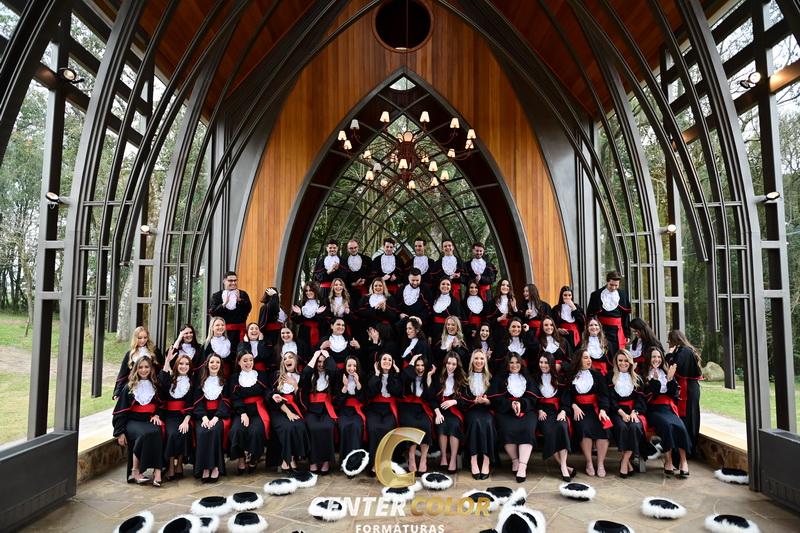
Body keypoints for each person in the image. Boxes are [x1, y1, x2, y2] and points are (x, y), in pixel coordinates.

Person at [113, 355, 164, 487]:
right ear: (136, 369)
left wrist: (157, 415)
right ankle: (135, 471)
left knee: (157, 431)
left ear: (151, 368)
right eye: (140, 367)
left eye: (146, 367)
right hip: (133, 422)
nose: (144, 370)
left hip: (148, 420)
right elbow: (120, 412)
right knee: (143, 435)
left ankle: (157, 471)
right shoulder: (129, 388)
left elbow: (162, 405)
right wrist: (120, 432)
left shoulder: (155, 386)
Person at [643, 347, 691, 478]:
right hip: (653, 410)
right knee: (667, 426)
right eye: (654, 357)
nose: (656, 359)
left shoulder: (666, 372)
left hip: (668, 408)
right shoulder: (643, 374)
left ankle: (683, 462)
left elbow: (673, 394)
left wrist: (670, 380)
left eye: (659, 357)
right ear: (649, 358)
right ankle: (668, 461)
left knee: (680, 426)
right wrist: (654, 381)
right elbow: (649, 395)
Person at [489, 353, 537, 483]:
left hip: (526, 411)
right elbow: (495, 399)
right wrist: (510, 404)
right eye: (511, 362)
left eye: (517, 362)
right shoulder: (500, 378)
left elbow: (533, 399)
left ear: (521, 364)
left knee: (527, 429)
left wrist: (521, 403)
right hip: (506, 411)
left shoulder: (528, 378)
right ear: (507, 364)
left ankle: (522, 466)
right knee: (506, 429)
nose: (514, 365)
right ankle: (515, 460)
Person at [567, 348, 611, 478]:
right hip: (579, 410)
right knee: (584, 429)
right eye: (585, 358)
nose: (589, 360)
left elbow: (604, 395)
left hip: (595, 409)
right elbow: (567, 395)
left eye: (590, 358)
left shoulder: (597, 375)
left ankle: (601, 464)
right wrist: (573, 405)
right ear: (578, 360)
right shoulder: (571, 376)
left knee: (604, 429)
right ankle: (589, 462)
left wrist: (603, 410)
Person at [530, 353, 573, 481]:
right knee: (550, 432)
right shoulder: (535, 378)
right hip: (543, 412)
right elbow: (532, 398)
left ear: (551, 364)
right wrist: (539, 410)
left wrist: (563, 411)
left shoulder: (560, 378)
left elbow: (566, 397)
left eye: (546, 362)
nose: (543, 365)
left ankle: (564, 465)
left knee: (562, 427)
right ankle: (563, 466)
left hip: (557, 411)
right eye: (541, 362)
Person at [228, 351, 270, 475]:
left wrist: (273, 396)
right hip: (241, 410)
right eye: (245, 360)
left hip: (258, 409)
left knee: (256, 431)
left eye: (251, 360)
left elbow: (266, 392)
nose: (248, 363)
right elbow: (234, 397)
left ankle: (254, 458)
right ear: (239, 362)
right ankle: (241, 458)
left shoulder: (261, 375)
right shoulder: (234, 378)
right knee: (237, 430)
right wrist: (242, 412)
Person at [269, 352, 310, 472]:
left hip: (295, 408)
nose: (287, 360)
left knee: (299, 425)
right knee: (287, 427)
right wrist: (288, 412)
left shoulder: (301, 377)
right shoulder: (277, 376)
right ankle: (287, 460)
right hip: (279, 409)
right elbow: (272, 396)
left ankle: (291, 458)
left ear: (296, 361)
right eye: (285, 358)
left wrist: (295, 385)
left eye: (290, 357)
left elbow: (303, 402)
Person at [607, 350, 646, 478]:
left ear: (630, 362)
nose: (623, 363)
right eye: (620, 360)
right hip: (617, 411)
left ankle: (624, 460)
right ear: (616, 362)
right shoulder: (610, 376)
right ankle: (627, 461)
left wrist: (635, 412)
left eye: (626, 361)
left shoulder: (637, 378)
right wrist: (622, 414)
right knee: (622, 427)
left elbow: (640, 399)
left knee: (635, 427)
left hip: (634, 411)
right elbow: (610, 400)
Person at [192, 353, 230, 483]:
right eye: (212, 362)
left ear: (221, 365)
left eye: (217, 362)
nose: (214, 365)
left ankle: (215, 467)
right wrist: (204, 417)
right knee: (203, 432)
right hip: (202, 416)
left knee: (214, 431)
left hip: (219, 416)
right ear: (207, 364)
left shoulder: (224, 381)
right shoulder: (200, 381)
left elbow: (226, 402)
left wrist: (216, 418)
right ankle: (204, 467)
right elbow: (197, 402)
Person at [301, 350, 339, 474]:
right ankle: (313, 461)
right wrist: (315, 356)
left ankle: (326, 461)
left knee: (328, 427)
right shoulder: (310, 376)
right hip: (311, 409)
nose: (321, 364)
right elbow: (305, 373)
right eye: (319, 362)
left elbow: (335, 371)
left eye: (323, 362)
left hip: (327, 409)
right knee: (313, 428)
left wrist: (328, 356)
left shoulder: (331, 376)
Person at [667, 329, 702, 459]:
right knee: (690, 418)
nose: (669, 342)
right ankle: (687, 450)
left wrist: (669, 355)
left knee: (688, 419)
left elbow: (675, 368)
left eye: (670, 340)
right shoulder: (688, 350)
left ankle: (687, 450)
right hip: (691, 388)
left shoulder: (683, 351)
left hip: (687, 389)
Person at [400, 353, 438, 474]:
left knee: (425, 425)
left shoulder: (428, 377)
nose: (420, 368)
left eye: (422, 365)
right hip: (407, 407)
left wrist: (429, 378)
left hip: (422, 407)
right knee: (411, 425)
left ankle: (423, 458)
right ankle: (411, 457)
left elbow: (431, 397)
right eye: (417, 365)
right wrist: (411, 363)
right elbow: (402, 378)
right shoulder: (408, 376)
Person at [159, 351, 193, 482]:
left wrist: (186, 420)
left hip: (184, 416)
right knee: (172, 433)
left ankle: (179, 464)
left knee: (184, 432)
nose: (184, 366)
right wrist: (167, 361)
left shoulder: (192, 382)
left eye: (186, 364)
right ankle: (171, 465)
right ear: (177, 365)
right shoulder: (170, 379)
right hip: (170, 416)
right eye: (181, 364)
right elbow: (162, 380)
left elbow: (191, 403)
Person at [365, 353, 402, 473]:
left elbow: (396, 392)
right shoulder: (372, 375)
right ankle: (374, 463)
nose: (387, 361)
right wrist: (377, 374)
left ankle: (386, 463)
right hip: (374, 408)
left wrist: (395, 375)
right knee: (373, 429)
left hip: (389, 408)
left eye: (390, 360)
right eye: (384, 359)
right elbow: (371, 392)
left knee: (388, 429)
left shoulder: (395, 376)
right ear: (379, 362)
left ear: (392, 363)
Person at [462, 349, 496, 479]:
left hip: (486, 409)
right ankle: (473, 459)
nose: (479, 361)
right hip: (471, 409)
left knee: (488, 422)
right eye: (476, 358)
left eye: (482, 358)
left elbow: (495, 397)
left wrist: (487, 401)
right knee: (475, 421)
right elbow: (462, 396)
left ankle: (486, 460)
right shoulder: (465, 377)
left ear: (485, 361)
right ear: (472, 361)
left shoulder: (491, 377)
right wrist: (473, 400)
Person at [434, 352, 467, 474]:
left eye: (453, 364)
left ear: (457, 365)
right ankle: (443, 457)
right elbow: (432, 398)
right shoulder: (438, 377)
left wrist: (454, 401)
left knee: (454, 425)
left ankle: (453, 459)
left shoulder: (462, 378)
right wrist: (437, 413)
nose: (450, 366)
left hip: (455, 411)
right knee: (441, 424)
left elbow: (466, 399)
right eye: (448, 363)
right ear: (445, 363)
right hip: (440, 410)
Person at [587, 271, 631, 356]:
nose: (614, 288)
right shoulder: (596, 295)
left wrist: (627, 334)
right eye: (611, 285)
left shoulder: (622, 295)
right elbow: (590, 315)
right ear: (607, 281)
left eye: (616, 285)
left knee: (618, 354)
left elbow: (625, 317)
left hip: (617, 331)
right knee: (603, 353)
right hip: (601, 330)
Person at [208, 271, 252, 355]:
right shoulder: (217, 296)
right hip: (222, 333)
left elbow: (248, 309)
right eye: (230, 281)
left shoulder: (243, 294)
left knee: (240, 355)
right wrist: (223, 304)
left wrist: (240, 300)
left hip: (240, 333)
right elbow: (213, 313)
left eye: (235, 280)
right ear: (224, 281)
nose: (233, 283)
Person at [114, 326, 160, 399]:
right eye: (140, 338)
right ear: (135, 338)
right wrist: (117, 392)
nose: (143, 340)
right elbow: (123, 374)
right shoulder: (130, 354)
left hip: (151, 386)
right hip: (134, 387)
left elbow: (161, 370)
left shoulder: (154, 352)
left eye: (145, 337)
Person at [336, 355, 367, 460]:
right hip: (344, 410)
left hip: (358, 410)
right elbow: (338, 402)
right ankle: (344, 460)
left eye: (354, 366)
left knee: (356, 427)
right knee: (344, 426)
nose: (352, 368)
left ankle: (355, 461)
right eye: (349, 365)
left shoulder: (362, 377)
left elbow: (363, 399)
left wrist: (358, 383)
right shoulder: (340, 377)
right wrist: (345, 386)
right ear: (345, 366)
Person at [291, 282, 328, 348]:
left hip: (318, 331)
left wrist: (317, 314)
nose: (308, 292)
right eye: (306, 291)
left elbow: (324, 321)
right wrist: (299, 314)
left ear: (315, 291)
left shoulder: (322, 302)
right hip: (304, 332)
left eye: (310, 290)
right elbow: (296, 320)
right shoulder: (301, 302)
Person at [551, 285, 585, 353]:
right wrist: (558, 330)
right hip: (562, 336)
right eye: (565, 295)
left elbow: (582, 322)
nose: (567, 297)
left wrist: (573, 307)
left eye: (569, 295)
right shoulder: (556, 309)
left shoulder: (577, 307)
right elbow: (552, 323)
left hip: (575, 335)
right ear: (561, 296)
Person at [396, 268, 431, 332]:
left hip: (419, 323)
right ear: (408, 278)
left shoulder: (425, 288)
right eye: (413, 280)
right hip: (405, 323)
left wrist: (420, 318)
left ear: (420, 279)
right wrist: (400, 314)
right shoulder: (402, 289)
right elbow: (397, 305)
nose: (415, 283)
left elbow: (429, 307)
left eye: (417, 280)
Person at [428, 278, 463, 342]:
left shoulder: (455, 302)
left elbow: (457, 321)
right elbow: (431, 318)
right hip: (435, 331)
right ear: (439, 286)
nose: (445, 286)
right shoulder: (434, 300)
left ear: (450, 287)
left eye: (448, 284)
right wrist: (429, 334)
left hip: (448, 330)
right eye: (443, 284)